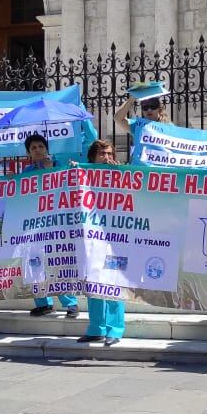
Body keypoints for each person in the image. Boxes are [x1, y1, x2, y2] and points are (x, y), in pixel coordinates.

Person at [75, 139, 127, 346]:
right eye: (102, 154)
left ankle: (115, 329)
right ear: (92, 158)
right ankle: (96, 328)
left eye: (109, 153)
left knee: (114, 283)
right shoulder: (83, 175)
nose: (107, 157)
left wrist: (121, 175)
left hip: (117, 238)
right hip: (92, 238)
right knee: (93, 280)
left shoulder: (122, 173)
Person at [21, 134, 80, 318]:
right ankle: (43, 303)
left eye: (40, 146)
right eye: (33, 148)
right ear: (29, 153)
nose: (37, 150)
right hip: (34, 226)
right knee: (35, 264)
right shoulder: (26, 172)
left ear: (47, 149)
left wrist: (59, 170)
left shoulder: (61, 166)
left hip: (57, 225)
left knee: (58, 262)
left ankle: (71, 303)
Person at [113, 90, 173, 159]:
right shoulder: (139, 126)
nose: (149, 110)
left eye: (153, 106)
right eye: (145, 107)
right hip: (142, 168)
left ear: (159, 108)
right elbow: (118, 118)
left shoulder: (169, 127)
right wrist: (132, 98)